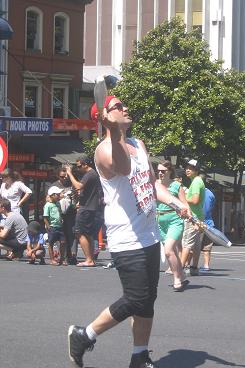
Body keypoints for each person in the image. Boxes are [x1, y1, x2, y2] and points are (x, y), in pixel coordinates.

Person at [67, 95, 189, 368]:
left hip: (149, 235)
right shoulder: (103, 150)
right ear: (106, 116)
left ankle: (139, 355)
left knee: (148, 301)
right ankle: (83, 335)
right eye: (118, 107)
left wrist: (175, 201)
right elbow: (122, 168)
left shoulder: (138, 144)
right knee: (136, 298)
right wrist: (112, 131)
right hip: (126, 238)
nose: (126, 109)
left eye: (124, 105)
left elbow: (151, 185)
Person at [156, 161, 190, 291]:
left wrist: (190, 216)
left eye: (163, 171)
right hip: (160, 221)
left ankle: (177, 278)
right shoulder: (155, 185)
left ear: (170, 171)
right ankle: (182, 275)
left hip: (175, 221)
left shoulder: (176, 185)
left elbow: (185, 204)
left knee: (168, 250)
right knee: (173, 252)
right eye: (158, 170)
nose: (160, 173)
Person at [65, 155, 102, 267]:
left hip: (86, 208)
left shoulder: (90, 174)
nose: (78, 168)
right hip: (89, 207)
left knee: (79, 232)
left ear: (85, 164)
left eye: (79, 166)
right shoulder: (92, 174)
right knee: (87, 233)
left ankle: (89, 259)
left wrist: (70, 174)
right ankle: (90, 259)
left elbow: (78, 186)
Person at [180, 159, 206, 276]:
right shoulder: (197, 181)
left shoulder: (196, 182)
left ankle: (179, 270)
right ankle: (194, 267)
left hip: (193, 218)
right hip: (199, 217)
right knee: (196, 245)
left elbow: (195, 200)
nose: (187, 170)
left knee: (186, 244)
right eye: (187, 168)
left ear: (196, 170)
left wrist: (183, 198)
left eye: (191, 168)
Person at [52, 168, 78, 265]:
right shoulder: (54, 185)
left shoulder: (72, 184)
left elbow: (77, 197)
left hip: (71, 213)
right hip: (59, 214)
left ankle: (72, 255)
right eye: (62, 177)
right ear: (58, 176)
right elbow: (48, 199)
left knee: (72, 234)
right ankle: (62, 256)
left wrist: (74, 197)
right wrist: (60, 196)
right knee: (61, 236)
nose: (64, 178)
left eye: (66, 176)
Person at [43, 185, 67, 266]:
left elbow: (59, 213)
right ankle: (52, 259)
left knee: (63, 242)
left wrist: (61, 219)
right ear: (52, 195)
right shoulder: (48, 205)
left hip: (59, 226)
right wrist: (48, 226)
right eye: (57, 194)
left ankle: (62, 258)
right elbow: (45, 217)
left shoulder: (58, 204)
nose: (59, 196)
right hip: (52, 227)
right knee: (51, 243)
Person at [199, 187, 216, 273]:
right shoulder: (211, 194)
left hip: (198, 222)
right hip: (209, 224)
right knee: (207, 247)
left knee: (193, 247)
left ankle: (189, 265)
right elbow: (212, 207)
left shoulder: (195, 192)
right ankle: (206, 266)